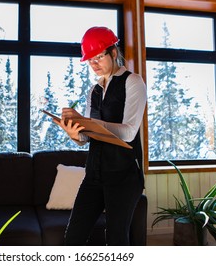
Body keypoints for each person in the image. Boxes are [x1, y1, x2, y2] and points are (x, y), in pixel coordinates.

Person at [54, 26, 147, 246]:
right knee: (73, 238)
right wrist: (74, 133)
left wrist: (89, 122)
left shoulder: (133, 82)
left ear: (113, 53)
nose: (94, 64)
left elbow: (129, 132)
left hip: (124, 176)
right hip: (94, 175)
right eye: (89, 60)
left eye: (98, 57)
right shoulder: (93, 91)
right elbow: (86, 138)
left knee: (116, 240)